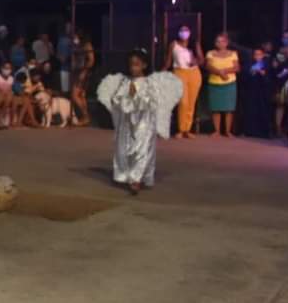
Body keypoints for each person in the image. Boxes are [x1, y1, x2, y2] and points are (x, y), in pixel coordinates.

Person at [96, 49, 182, 195]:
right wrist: (123, 97)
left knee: (142, 149)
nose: (133, 68)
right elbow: (118, 101)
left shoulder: (149, 84)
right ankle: (128, 174)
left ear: (144, 65)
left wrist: (136, 96)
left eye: (136, 64)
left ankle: (137, 178)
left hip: (144, 122)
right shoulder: (125, 82)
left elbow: (151, 102)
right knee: (125, 149)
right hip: (127, 123)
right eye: (131, 65)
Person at [163, 24, 205, 139]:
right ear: (178, 32)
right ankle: (181, 129)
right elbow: (168, 61)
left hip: (194, 74)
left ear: (190, 32)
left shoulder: (194, 44)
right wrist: (162, 72)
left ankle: (187, 129)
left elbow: (202, 60)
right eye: (182, 30)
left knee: (191, 103)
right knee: (183, 102)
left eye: (186, 30)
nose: (184, 32)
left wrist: (195, 61)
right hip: (179, 73)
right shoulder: (173, 44)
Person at [205, 32, 240, 138]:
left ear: (227, 42)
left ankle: (228, 131)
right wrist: (219, 73)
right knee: (216, 108)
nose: (221, 43)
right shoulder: (210, 53)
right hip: (214, 83)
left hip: (229, 83)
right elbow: (208, 66)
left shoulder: (233, 53)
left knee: (229, 108)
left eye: (223, 41)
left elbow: (237, 68)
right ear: (215, 43)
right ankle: (217, 131)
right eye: (218, 41)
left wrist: (225, 71)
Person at [242, 47, 274, 139]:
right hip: (251, 91)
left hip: (263, 92)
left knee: (263, 111)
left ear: (263, 55)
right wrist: (251, 72)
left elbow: (270, 79)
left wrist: (263, 73)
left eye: (259, 54)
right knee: (251, 111)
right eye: (255, 54)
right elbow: (244, 77)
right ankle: (250, 131)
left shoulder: (267, 65)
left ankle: (264, 132)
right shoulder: (249, 64)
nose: (257, 56)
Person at [69, 29, 95, 126]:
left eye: (75, 36)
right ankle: (85, 118)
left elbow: (91, 60)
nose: (74, 38)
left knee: (74, 95)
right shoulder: (78, 45)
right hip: (78, 71)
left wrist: (84, 71)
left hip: (83, 72)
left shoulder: (87, 45)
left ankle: (86, 115)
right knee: (81, 95)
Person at [56, 22, 74, 93]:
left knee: (73, 90)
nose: (68, 29)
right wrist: (60, 58)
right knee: (65, 89)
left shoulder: (75, 39)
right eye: (67, 27)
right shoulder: (61, 39)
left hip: (74, 68)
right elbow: (57, 53)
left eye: (70, 27)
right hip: (63, 67)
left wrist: (69, 58)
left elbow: (78, 51)